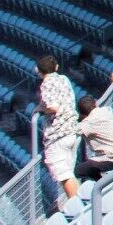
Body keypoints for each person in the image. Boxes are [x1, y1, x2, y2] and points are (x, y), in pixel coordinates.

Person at [36, 54, 78, 206]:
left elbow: (52, 106)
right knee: (68, 173)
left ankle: (79, 208)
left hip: (58, 135)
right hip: (71, 130)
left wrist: (41, 108)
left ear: (39, 71)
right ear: (56, 67)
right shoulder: (63, 79)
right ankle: (78, 206)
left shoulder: (47, 83)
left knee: (65, 175)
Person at [74, 95, 113, 184]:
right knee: (92, 163)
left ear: (82, 113)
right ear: (95, 104)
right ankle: (104, 183)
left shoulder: (88, 123)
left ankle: (103, 184)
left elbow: (74, 130)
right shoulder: (107, 110)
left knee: (78, 171)